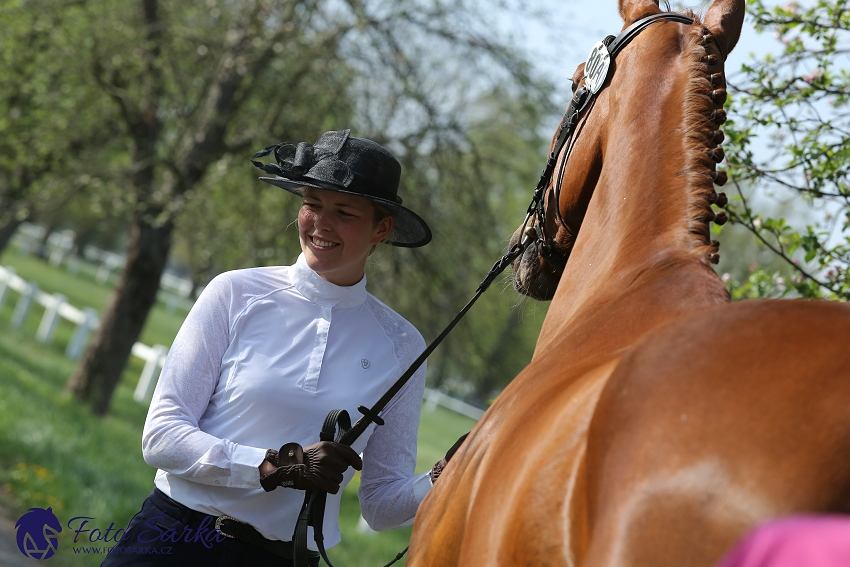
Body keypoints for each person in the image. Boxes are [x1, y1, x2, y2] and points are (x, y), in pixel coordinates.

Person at [102, 129, 462, 567]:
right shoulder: (234, 293)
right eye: (312, 204)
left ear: (381, 229)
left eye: (344, 212)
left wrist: (445, 476)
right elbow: (161, 437)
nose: (321, 223)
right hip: (174, 539)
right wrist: (274, 466)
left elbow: (382, 505)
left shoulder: (403, 345)